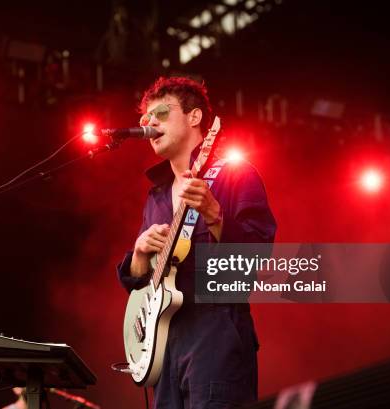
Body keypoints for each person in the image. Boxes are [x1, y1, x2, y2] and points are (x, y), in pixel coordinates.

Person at [116, 76, 276, 408]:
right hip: (164, 345)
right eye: (146, 119)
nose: (150, 123)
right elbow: (144, 285)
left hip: (216, 335)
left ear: (195, 117)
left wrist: (215, 214)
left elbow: (259, 256)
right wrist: (140, 256)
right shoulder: (156, 197)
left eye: (161, 112)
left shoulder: (234, 174)